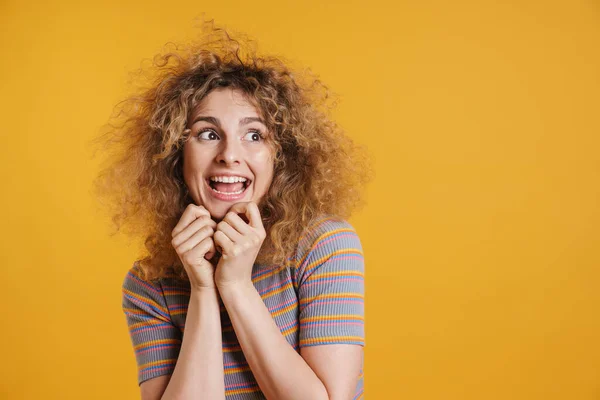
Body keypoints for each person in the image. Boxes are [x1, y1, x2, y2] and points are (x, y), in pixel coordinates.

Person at [93, 21, 372, 400]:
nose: (229, 154)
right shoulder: (148, 285)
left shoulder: (325, 246)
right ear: (176, 154)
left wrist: (235, 285)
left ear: (281, 157)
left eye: (254, 135)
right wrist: (203, 287)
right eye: (208, 134)